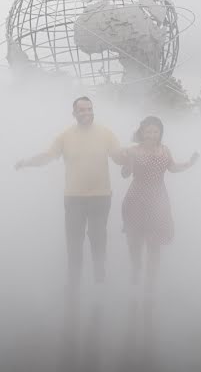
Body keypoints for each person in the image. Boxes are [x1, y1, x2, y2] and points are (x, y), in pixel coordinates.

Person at [15, 96, 125, 286]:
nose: (86, 113)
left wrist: (131, 156)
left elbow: (118, 157)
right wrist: (26, 163)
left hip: (100, 196)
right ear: (74, 113)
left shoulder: (106, 133)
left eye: (89, 109)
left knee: (98, 238)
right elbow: (48, 156)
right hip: (74, 197)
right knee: (74, 241)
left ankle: (100, 278)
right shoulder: (65, 136)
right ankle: (74, 281)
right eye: (82, 110)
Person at [120, 116, 198, 289]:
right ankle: (135, 276)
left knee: (154, 243)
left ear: (160, 133)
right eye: (148, 131)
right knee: (135, 242)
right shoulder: (133, 150)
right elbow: (125, 174)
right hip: (136, 199)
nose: (152, 135)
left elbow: (172, 168)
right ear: (142, 132)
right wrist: (126, 162)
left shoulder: (165, 150)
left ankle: (151, 284)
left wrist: (189, 164)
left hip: (158, 200)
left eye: (156, 132)